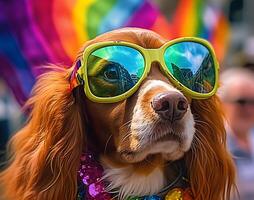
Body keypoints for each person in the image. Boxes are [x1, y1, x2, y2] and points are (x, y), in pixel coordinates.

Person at [219, 67, 254, 200]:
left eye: (253, 102)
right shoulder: (214, 146)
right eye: (242, 102)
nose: (249, 109)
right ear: (221, 104)